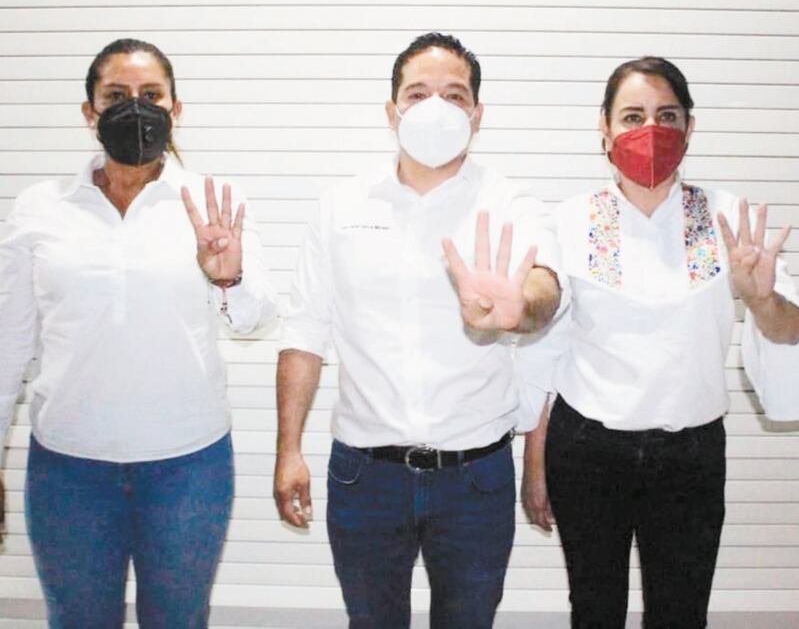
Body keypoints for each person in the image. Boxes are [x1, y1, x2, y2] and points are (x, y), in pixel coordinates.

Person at [273, 32, 564, 629]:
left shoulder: (511, 201)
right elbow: (303, 333)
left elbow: (545, 289)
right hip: (364, 475)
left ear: (477, 115)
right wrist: (287, 450)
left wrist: (520, 308)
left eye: (455, 95)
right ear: (392, 111)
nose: (436, 108)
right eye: (418, 93)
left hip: (476, 479)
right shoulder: (341, 206)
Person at [0, 38, 277, 628]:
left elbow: (255, 319)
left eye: (151, 96)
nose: (136, 108)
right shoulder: (39, 208)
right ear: (88, 112)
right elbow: (9, 345)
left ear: (176, 110)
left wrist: (230, 277)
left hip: (187, 467)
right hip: (67, 469)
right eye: (116, 96)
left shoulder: (213, 202)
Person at [521, 56, 799, 628]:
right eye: (632, 116)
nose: (650, 130)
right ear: (604, 128)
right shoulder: (570, 220)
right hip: (587, 451)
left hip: (690, 457)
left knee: (681, 613)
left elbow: (786, 328)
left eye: (666, 115)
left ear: (690, 127)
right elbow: (550, 348)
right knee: (594, 609)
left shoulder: (728, 218)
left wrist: (761, 297)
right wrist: (535, 460)